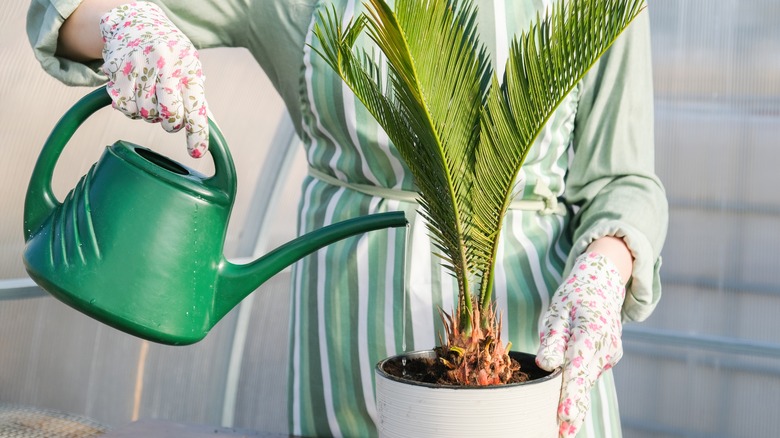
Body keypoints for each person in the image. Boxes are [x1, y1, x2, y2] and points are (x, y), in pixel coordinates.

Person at [27, 0, 668, 436]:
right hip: (346, 338)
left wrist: (605, 268)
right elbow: (73, 11)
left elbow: (622, 177)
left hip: (530, 347)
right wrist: (124, 28)